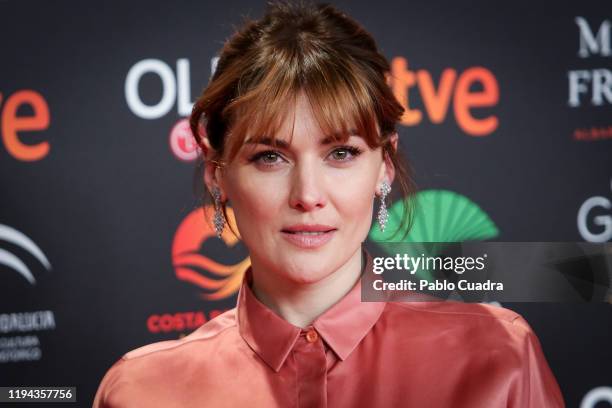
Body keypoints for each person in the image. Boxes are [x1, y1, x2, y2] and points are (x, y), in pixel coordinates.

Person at [93, 1, 565, 407]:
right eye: (270, 157)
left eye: (341, 153)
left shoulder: (498, 355)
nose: (308, 195)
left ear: (384, 166)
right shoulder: (141, 390)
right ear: (220, 176)